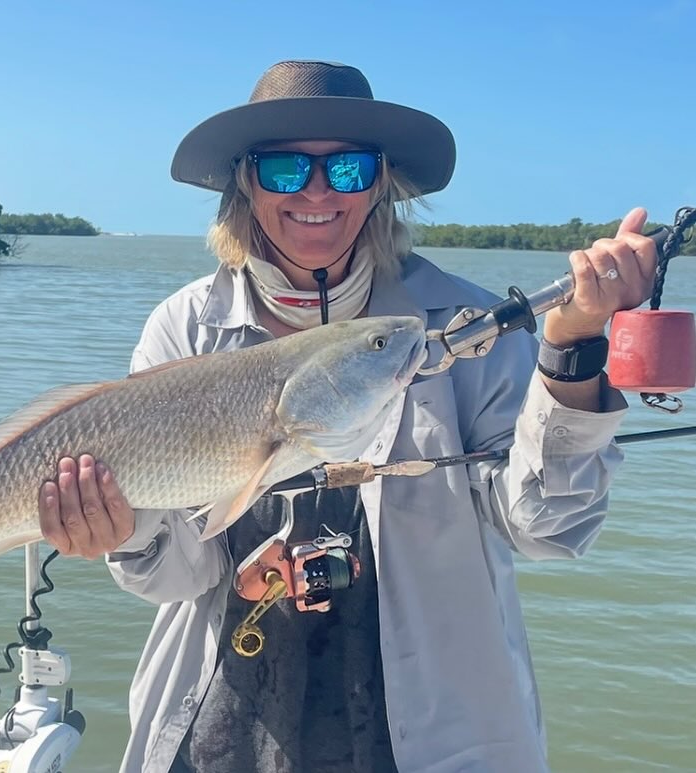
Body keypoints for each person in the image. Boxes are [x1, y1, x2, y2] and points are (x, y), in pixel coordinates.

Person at [37, 60, 658, 773]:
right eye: (282, 170)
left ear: (381, 182)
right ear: (244, 180)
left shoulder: (466, 326)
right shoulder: (185, 330)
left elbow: (549, 527)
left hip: (431, 730)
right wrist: (120, 529)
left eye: (348, 169)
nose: (315, 192)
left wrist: (571, 347)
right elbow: (171, 578)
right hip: (222, 717)